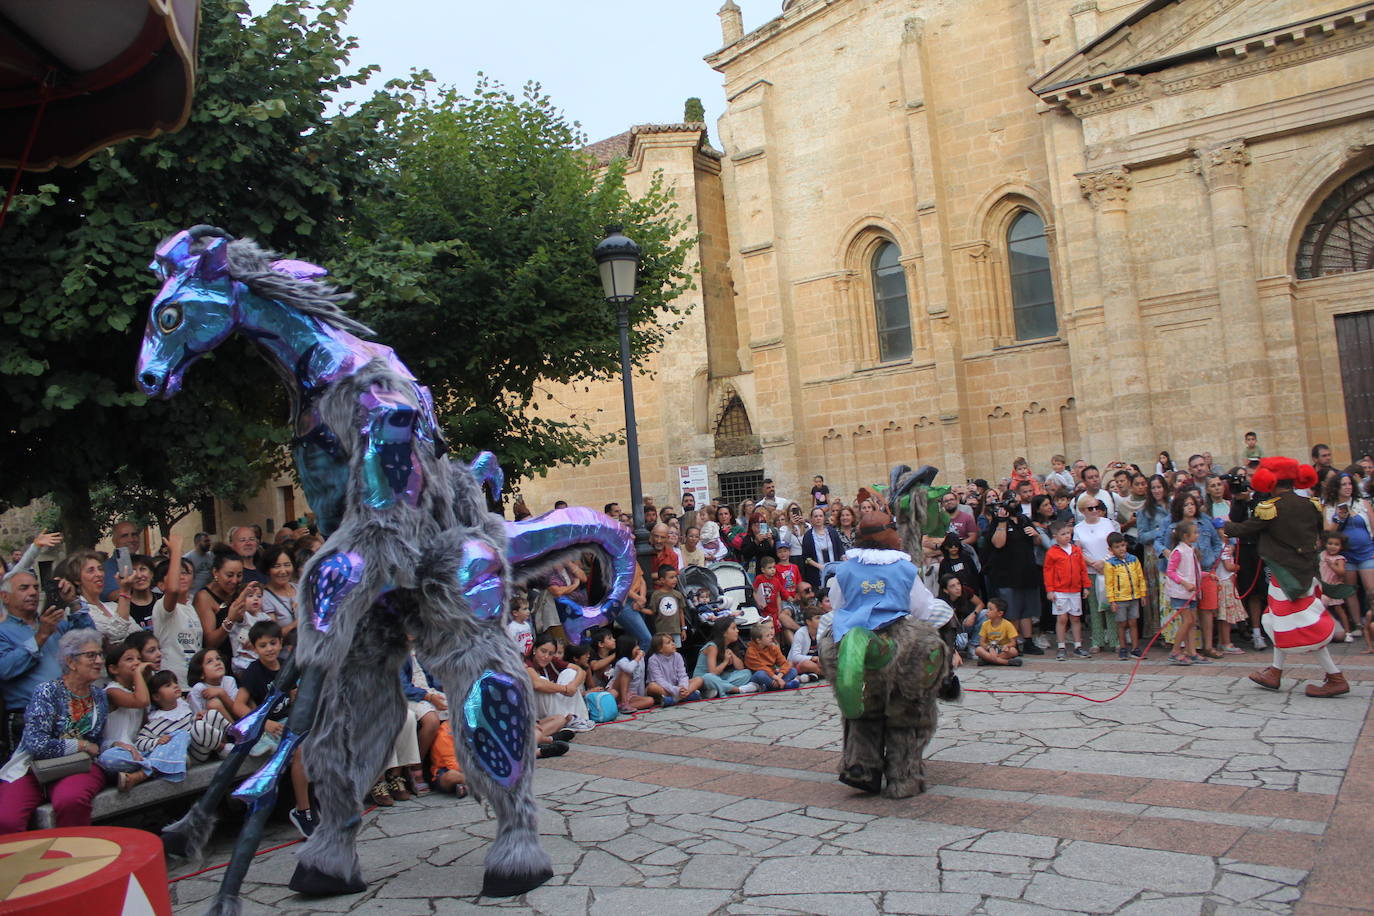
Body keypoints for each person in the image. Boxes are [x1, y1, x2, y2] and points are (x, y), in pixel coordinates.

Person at [1225, 456, 1347, 697]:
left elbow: (1246, 528)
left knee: (1302, 624)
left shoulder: (1271, 507)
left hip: (1284, 573)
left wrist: (1224, 526)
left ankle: (1335, 676)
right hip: (1306, 572)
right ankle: (1275, 671)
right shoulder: (1310, 504)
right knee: (1280, 620)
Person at [0, 629, 111, 831]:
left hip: (80, 766)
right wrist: (81, 744)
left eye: (100, 654)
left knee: (70, 800)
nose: (99, 661)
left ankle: (73, 856)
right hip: (34, 766)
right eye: (91, 655)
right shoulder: (47, 691)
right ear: (71, 662)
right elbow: (37, 745)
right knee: (6, 818)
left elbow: (98, 742)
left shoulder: (99, 696)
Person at [233, 620, 315, 836]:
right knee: (300, 750)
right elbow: (238, 704)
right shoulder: (254, 671)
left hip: (291, 721)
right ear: (254, 647)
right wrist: (263, 722)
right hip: (271, 727)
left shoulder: (287, 666)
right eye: (262, 645)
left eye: (272, 643)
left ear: (280, 643)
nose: (269, 649)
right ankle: (303, 810)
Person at [0, 569, 91, 748]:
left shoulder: (55, 623)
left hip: (68, 713)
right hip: (27, 717)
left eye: (35, 587)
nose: (33, 592)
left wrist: (73, 603)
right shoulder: (3, 631)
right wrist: (40, 636)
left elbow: (90, 642)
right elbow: (4, 669)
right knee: (32, 775)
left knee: (73, 771)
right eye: (24, 588)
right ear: (5, 597)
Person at [985, 493, 1045, 655]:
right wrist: (1003, 522)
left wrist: (1036, 535)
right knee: (1013, 610)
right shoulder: (998, 522)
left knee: (1027, 609)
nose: (1015, 503)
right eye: (1012, 501)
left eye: (1017, 501)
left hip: (1027, 571)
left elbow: (1038, 542)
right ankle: (1014, 643)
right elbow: (998, 543)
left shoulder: (1025, 519)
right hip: (1007, 574)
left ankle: (1028, 641)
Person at [100, 643, 155, 791]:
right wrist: (138, 673)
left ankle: (141, 773)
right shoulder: (111, 691)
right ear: (113, 669)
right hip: (118, 751)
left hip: (138, 752)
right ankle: (157, 765)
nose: (137, 662)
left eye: (139, 659)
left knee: (179, 737)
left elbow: (144, 726)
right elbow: (141, 701)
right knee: (108, 759)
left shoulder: (137, 691)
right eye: (130, 659)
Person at [1324, 471, 1373, 631]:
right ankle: (1358, 624)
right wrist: (1338, 517)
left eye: (1350, 483)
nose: (1348, 487)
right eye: (1343, 484)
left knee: (1371, 589)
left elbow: (1373, 525)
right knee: (1350, 590)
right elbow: (1328, 532)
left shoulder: (1362, 503)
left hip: (1366, 551)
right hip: (1345, 555)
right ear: (1336, 487)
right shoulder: (1330, 506)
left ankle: (1371, 621)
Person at [60, 550, 140, 647]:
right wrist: (125, 592)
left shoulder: (113, 606)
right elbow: (116, 634)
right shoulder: (75, 610)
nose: (99, 574)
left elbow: (138, 635)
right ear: (77, 579)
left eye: (100, 569)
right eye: (91, 570)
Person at [1043, 521, 1090, 660]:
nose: (1067, 536)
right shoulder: (1052, 552)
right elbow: (1048, 572)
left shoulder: (1076, 550)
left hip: (1075, 590)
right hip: (1060, 590)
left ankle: (1078, 646)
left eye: (1068, 533)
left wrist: (1086, 586)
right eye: (1063, 534)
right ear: (1055, 536)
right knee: (1062, 618)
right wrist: (1050, 590)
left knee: (1075, 618)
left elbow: (1082, 569)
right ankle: (1061, 646)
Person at [1164, 520, 1203, 666]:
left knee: (1192, 621)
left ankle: (1191, 651)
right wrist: (1185, 583)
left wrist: (1205, 575)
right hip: (1181, 593)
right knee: (1187, 621)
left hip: (1190, 593)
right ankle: (1175, 651)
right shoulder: (1179, 551)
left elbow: (1192, 571)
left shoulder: (1190, 550)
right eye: (1195, 532)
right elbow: (1171, 571)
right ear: (1186, 536)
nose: (1198, 535)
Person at [1103, 532, 1147, 660]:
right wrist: (1112, 601)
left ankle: (1135, 648)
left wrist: (1142, 594)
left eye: (1122, 545)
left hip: (1134, 597)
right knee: (1122, 623)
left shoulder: (1133, 559)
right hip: (1120, 598)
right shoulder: (1110, 563)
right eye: (1117, 547)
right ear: (1111, 549)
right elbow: (1109, 583)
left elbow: (1140, 577)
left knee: (1133, 622)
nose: (1121, 549)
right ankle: (1122, 648)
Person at [194, 548, 246, 651]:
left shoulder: (240, 592)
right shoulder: (204, 598)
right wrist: (230, 620)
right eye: (229, 575)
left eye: (239, 575)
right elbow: (210, 643)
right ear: (215, 572)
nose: (235, 581)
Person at [691, 619, 757, 698]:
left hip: (720, 678)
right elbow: (712, 673)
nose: (737, 631)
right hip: (703, 680)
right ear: (724, 633)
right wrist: (725, 662)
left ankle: (717, 689)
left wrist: (732, 654)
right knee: (708, 677)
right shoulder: (712, 646)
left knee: (746, 673)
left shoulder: (729, 646)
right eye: (733, 628)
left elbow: (741, 668)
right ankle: (738, 690)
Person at [646, 633, 703, 705]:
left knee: (699, 679)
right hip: (663, 688)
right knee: (652, 687)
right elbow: (659, 680)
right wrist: (676, 690)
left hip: (677, 686)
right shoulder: (653, 659)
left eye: (673, 641)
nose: (673, 644)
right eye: (668, 643)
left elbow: (682, 675)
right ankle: (686, 696)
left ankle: (675, 698)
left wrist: (683, 687)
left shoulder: (678, 656)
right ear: (660, 649)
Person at [187, 648, 240, 724]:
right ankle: (235, 733)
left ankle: (235, 732)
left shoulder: (229, 680)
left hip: (233, 720)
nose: (217, 663)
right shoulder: (199, 688)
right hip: (209, 727)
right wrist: (199, 716)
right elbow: (197, 718)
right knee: (214, 704)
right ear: (201, 674)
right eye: (209, 661)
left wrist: (222, 693)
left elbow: (237, 712)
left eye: (218, 659)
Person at [258, 545, 300, 642]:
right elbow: (272, 636)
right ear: (267, 569)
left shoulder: (299, 589)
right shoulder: (264, 597)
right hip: (285, 654)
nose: (283, 571)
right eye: (277, 566)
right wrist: (297, 623)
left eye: (287, 565)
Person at [744, 620, 799, 691]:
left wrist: (779, 676)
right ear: (758, 640)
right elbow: (762, 667)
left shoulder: (773, 647)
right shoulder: (751, 651)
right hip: (761, 675)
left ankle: (774, 685)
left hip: (774, 674)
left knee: (793, 670)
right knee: (760, 674)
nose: (771, 637)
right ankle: (784, 685)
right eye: (767, 636)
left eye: (770, 635)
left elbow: (784, 663)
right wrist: (776, 678)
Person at [801, 506, 845, 592]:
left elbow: (840, 550)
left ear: (824, 518)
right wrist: (820, 567)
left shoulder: (832, 532)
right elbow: (806, 557)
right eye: (816, 516)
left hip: (834, 570)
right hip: (818, 572)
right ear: (811, 519)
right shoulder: (808, 536)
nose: (818, 518)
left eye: (820, 516)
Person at [611, 634, 655, 713]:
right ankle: (623, 703)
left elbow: (641, 679)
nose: (638, 648)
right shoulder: (622, 661)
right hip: (617, 692)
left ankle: (620, 706)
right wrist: (638, 658)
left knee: (650, 700)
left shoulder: (639, 661)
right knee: (626, 672)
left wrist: (640, 695)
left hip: (631, 695)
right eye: (635, 646)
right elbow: (629, 669)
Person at [100, 521, 143, 601]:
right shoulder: (106, 568)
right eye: (124, 536)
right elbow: (112, 596)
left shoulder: (147, 561)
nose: (131, 539)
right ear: (114, 541)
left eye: (134, 535)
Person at [974, 598, 1022, 667]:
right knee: (978, 650)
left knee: (1013, 651)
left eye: (990, 609)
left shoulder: (1008, 624)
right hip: (990, 650)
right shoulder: (985, 624)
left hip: (1002, 650)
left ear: (1000, 613)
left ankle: (988, 660)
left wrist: (1007, 646)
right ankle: (1006, 662)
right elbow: (981, 642)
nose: (987, 611)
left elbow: (1013, 643)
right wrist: (989, 648)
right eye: (987, 609)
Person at [649, 565, 688, 648]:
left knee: (675, 649)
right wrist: (640, 610)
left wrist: (683, 629)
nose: (675, 579)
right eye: (671, 577)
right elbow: (652, 611)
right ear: (662, 580)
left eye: (675, 577)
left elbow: (681, 613)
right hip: (661, 632)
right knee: (662, 650)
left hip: (676, 630)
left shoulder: (678, 594)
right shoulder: (656, 595)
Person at [786, 607, 824, 678]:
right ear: (808, 622)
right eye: (818, 618)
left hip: (816, 662)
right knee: (807, 664)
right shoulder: (801, 633)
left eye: (822, 618)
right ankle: (825, 674)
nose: (821, 620)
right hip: (798, 664)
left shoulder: (822, 632)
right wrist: (812, 658)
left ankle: (813, 675)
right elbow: (795, 657)